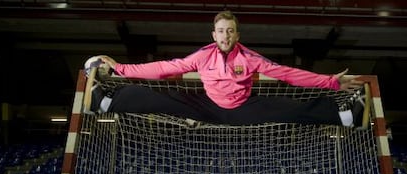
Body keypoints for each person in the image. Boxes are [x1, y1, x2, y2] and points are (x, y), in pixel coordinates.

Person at [89, 10, 365, 127]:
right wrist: (121, 69)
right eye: (221, 31)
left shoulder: (251, 57)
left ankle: (345, 118)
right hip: (206, 106)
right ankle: (106, 103)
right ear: (213, 34)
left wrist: (331, 82)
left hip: (244, 108)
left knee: (288, 106)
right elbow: (163, 68)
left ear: (237, 34)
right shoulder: (202, 56)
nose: (225, 36)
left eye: (230, 31)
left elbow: (287, 73)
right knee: (162, 97)